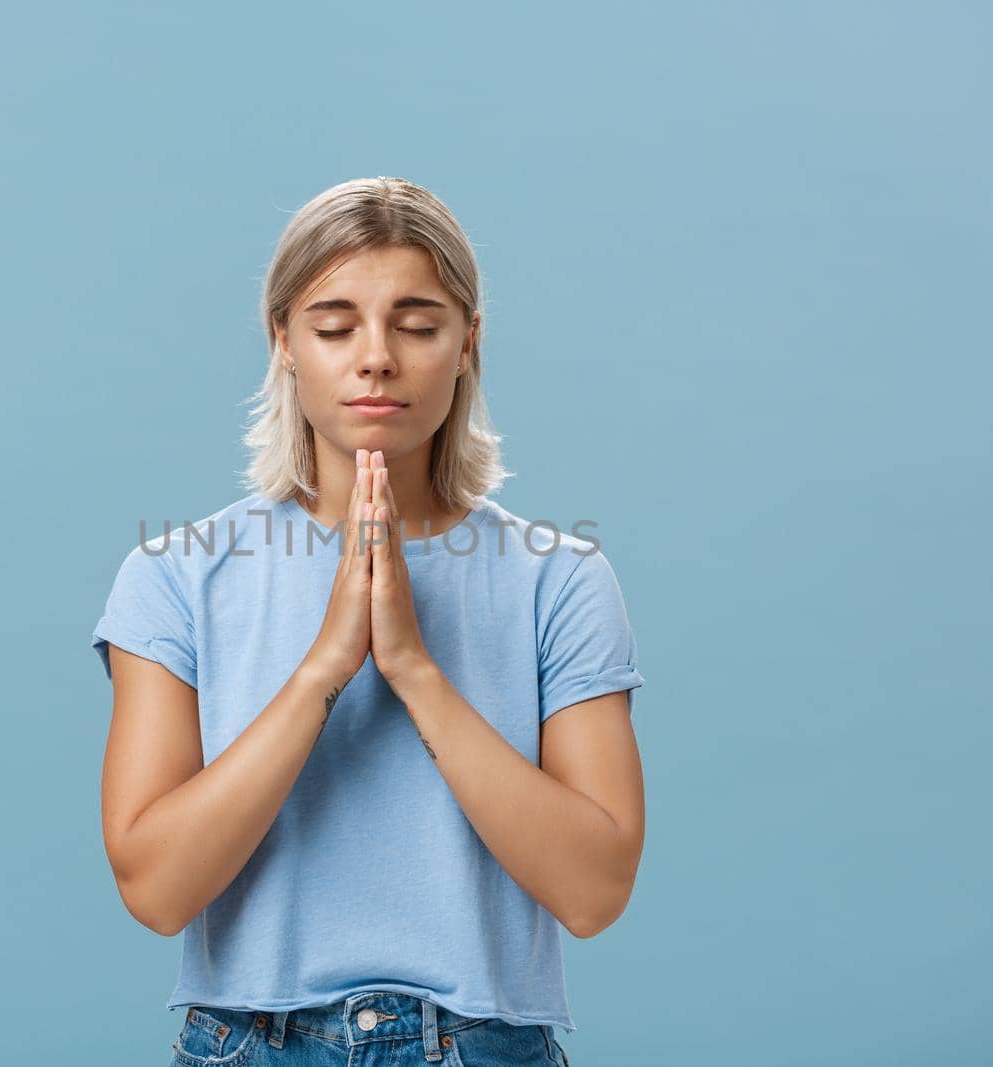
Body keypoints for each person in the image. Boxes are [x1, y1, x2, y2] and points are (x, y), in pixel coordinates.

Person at [90, 176, 645, 1066]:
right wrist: (325, 667)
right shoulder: (175, 574)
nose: (376, 357)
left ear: (468, 343)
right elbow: (157, 888)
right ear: (284, 343)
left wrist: (415, 669)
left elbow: (593, 891)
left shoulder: (561, 578)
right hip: (250, 1043)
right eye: (336, 325)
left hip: (482, 1046)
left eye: (419, 324)